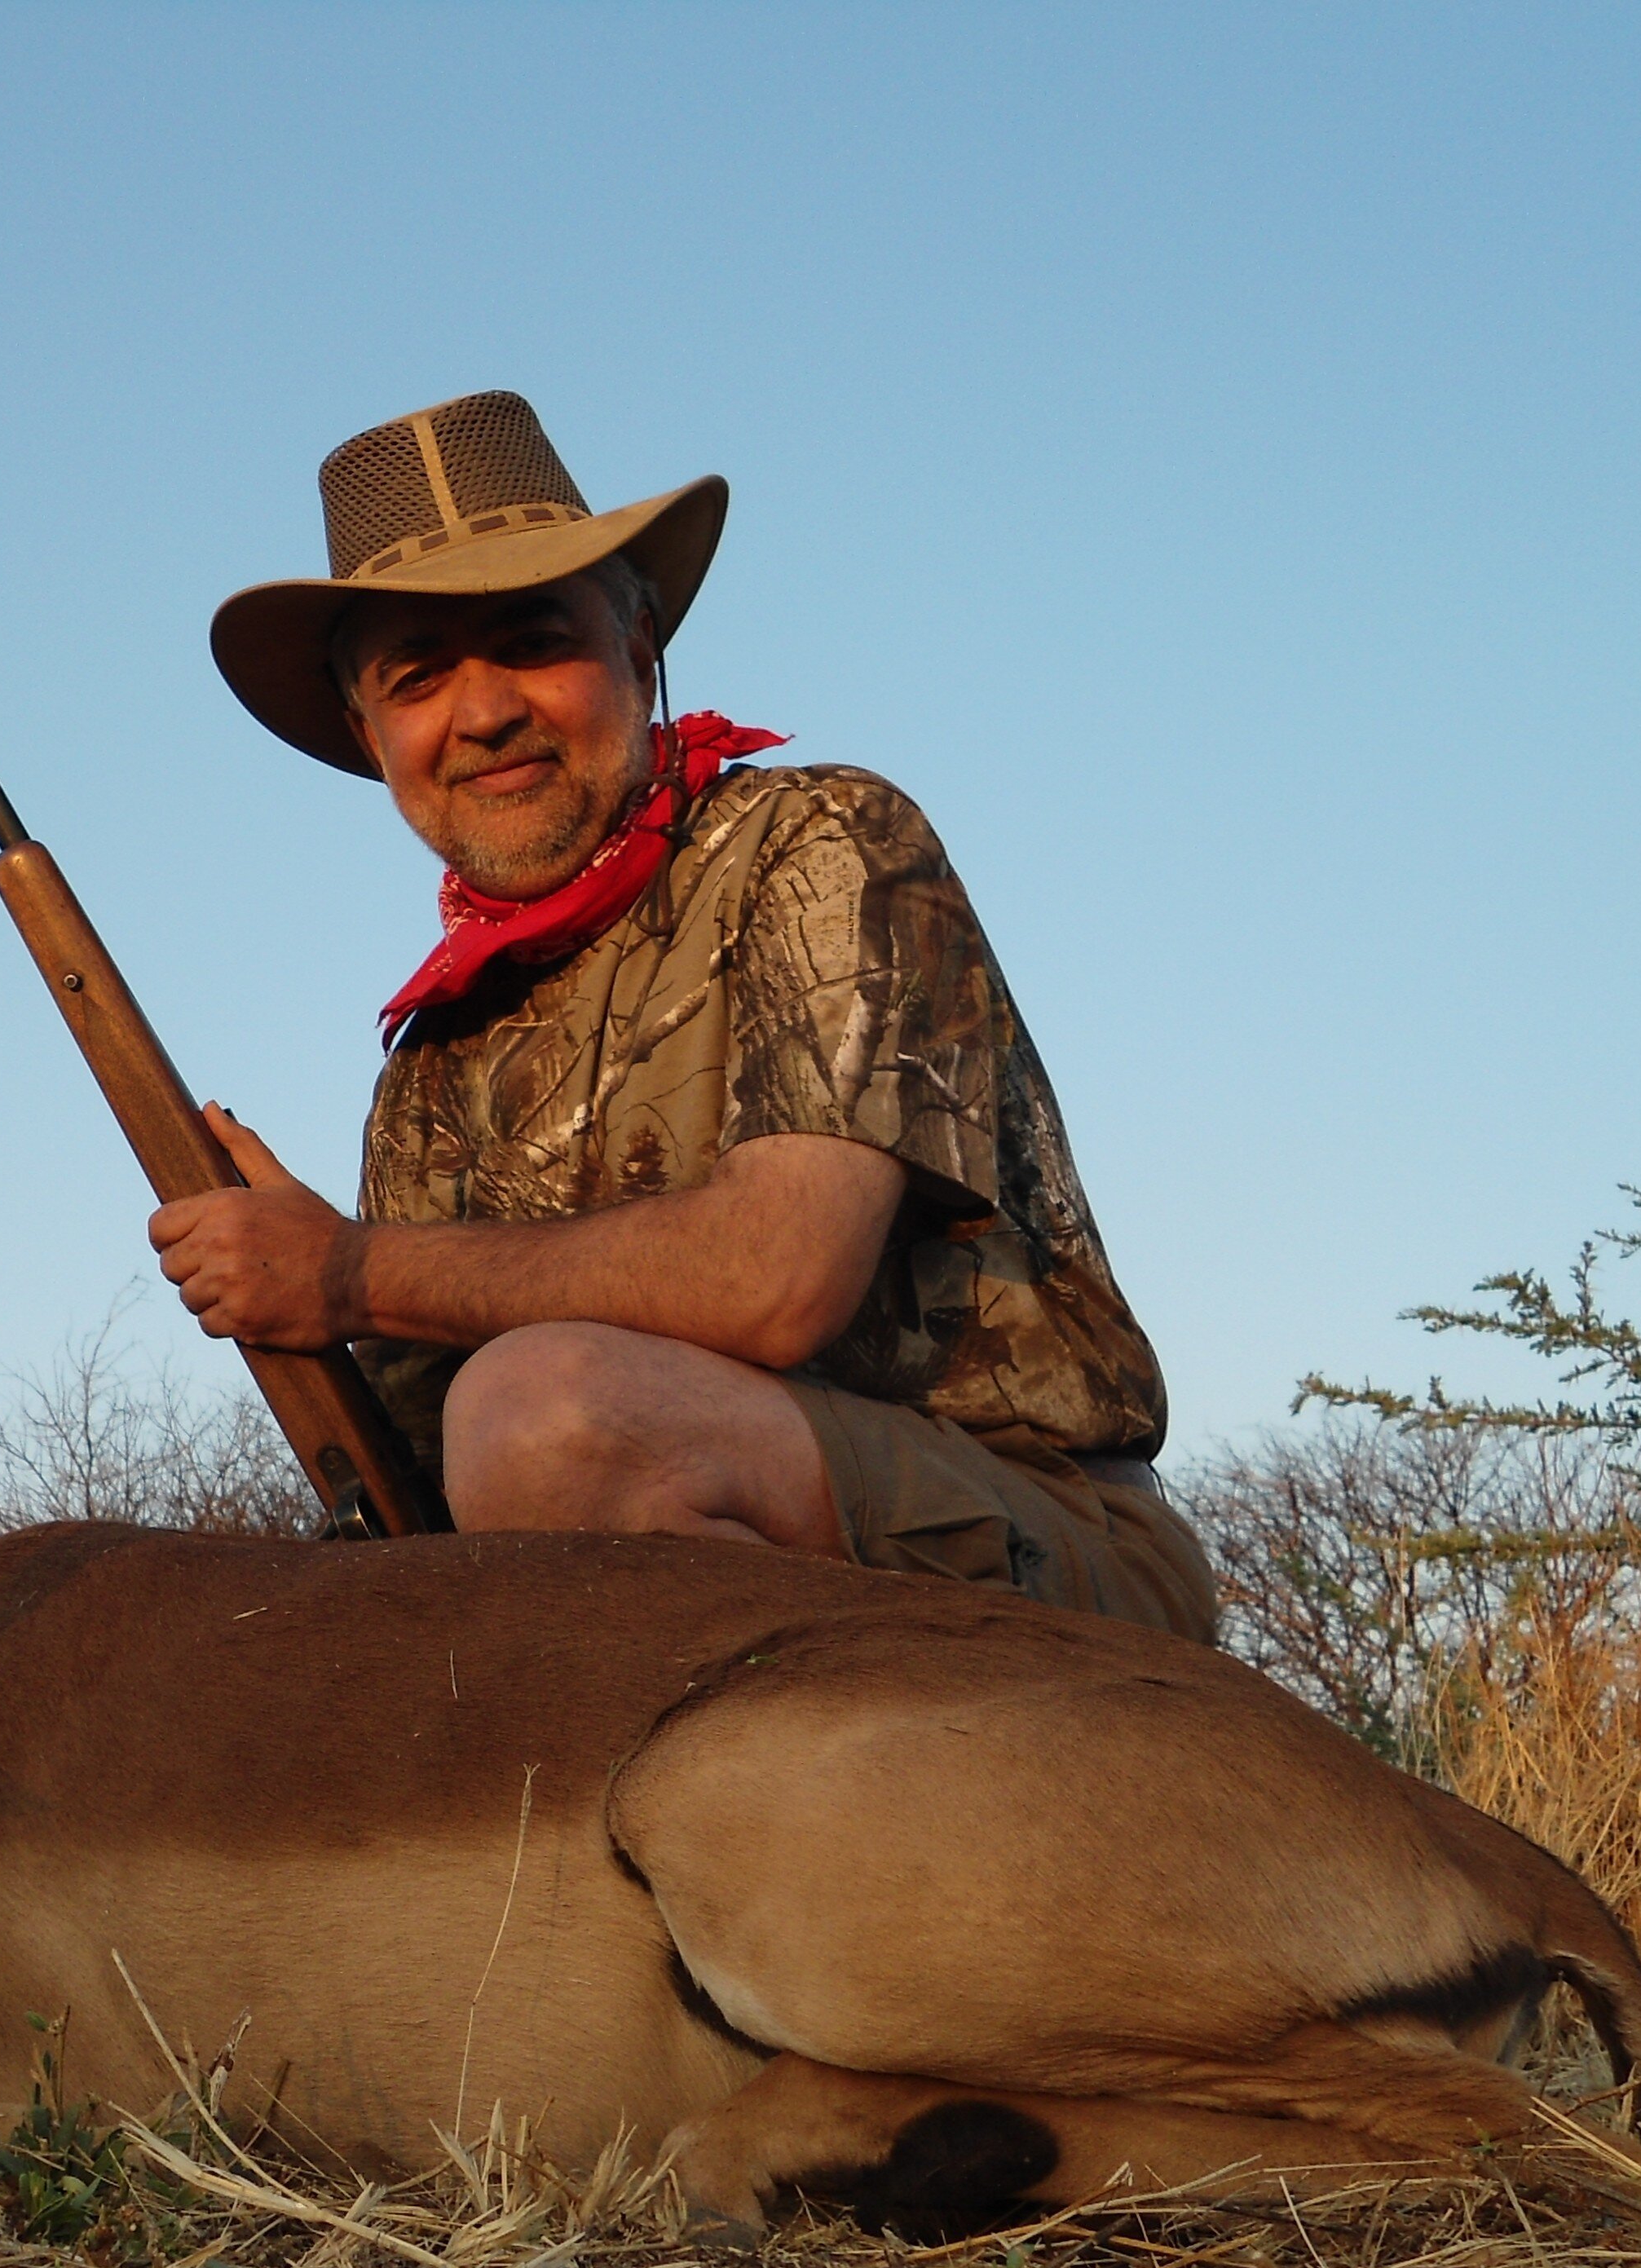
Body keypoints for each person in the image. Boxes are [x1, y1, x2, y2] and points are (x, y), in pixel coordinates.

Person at [153, 391, 1215, 1642]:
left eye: (534, 639)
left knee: (547, 1415)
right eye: (419, 676)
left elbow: (778, 1283)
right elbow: (436, 1509)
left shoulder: (819, 841)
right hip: (678, 1555)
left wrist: (345, 1272)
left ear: (640, 643)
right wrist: (296, 1309)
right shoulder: (428, 1074)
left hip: (1034, 1531)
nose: (484, 711)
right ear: (367, 729)